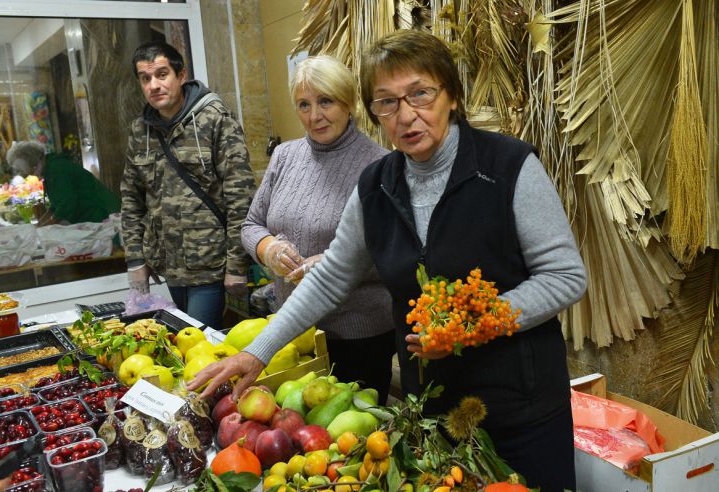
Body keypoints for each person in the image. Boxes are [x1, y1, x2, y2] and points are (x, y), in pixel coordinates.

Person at [189, 30, 586, 491]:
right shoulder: (376, 184)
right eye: (387, 102)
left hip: (520, 407)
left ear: (451, 95)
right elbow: (332, 276)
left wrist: (470, 326)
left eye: (420, 93)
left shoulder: (508, 167)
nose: (406, 115)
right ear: (374, 112)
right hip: (431, 413)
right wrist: (258, 352)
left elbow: (564, 277)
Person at [240, 55, 395, 404]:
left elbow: (390, 254)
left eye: (325, 101)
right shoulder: (284, 156)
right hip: (294, 332)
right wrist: (268, 249)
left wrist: (330, 263)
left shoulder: (380, 166)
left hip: (359, 335)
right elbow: (251, 224)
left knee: (355, 440)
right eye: (304, 105)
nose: (314, 116)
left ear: (348, 101)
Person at [120, 41, 255, 331]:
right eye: (146, 78)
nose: (154, 85)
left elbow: (240, 198)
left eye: (162, 74)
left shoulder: (216, 120)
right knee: (183, 342)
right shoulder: (140, 131)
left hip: (211, 264)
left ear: (181, 75)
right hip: (167, 265)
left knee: (195, 342)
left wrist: (236, 266)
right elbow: (131, 199)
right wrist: (135, 260)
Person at [7, 141, 120, 225]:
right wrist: (39, 225)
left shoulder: (56, 169)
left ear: (31, 163)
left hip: (101, 214)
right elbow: (56, 206)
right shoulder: (51, 167)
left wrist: (46, 226)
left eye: (26, 170)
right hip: (94, 214)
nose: (28, 174)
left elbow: (66, 204)